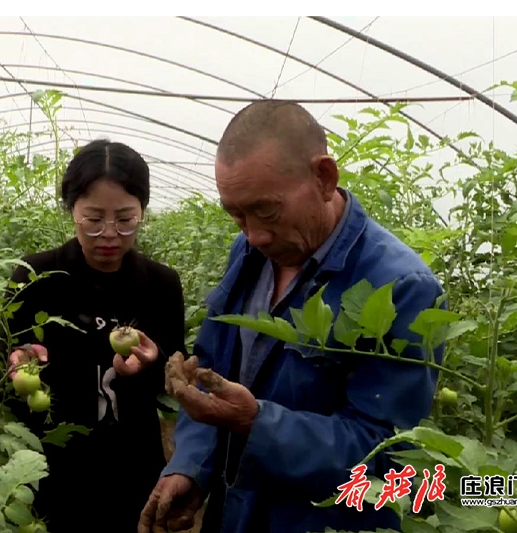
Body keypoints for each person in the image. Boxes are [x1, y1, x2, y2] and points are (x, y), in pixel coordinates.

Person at [138, 101, 446, 533]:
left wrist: (257, 423)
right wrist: (190, 466)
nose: (254, 233)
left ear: (324, 178)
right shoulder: (248, 254)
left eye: (266, 211)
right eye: (236, 214)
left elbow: (388, 454)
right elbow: (211, 374)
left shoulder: (401, 286)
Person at [0, 139, 186, 532]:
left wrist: (154, 364)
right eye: (93, 219)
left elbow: (173, 381)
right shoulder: (36, 278)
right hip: (50, 470)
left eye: (126, 219)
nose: (110, 234)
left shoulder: (161, 284)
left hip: (134, 470)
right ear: (72, 212)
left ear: (143, 212)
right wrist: (15, 369)